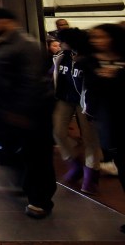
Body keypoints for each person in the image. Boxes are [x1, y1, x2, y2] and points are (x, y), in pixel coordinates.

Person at [0, 8, 56, 219]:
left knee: (38, 157)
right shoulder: (5, 44)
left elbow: (31, 80)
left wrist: (22, 111)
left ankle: (41, 201)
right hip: (9, 111)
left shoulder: (26, 44)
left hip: (30, 113)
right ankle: (28, 187)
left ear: (8, 21)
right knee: (23, 154)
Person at [77, 23, 125, 233]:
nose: (97, 41)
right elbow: (91, 91)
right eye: (94, 37)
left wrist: (115, 77)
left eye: (102, 37)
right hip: (112, 124)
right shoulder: (90, 63)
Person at [52, 28, 102, 194]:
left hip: (85, 101)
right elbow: (54, 75)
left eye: (61, 40)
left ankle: (91, 175)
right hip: (64, 98)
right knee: (57, 131)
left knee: (90, 138)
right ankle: (73, 162)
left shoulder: (90, 59)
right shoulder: (62, 57)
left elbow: (94, 81)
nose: (58, 43)